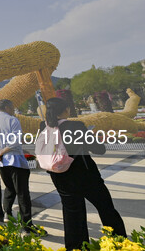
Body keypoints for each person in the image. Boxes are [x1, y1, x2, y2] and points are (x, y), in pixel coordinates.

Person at [41, 97, 126, 249]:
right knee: (106, 208)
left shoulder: (44, 126)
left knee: (72, 214)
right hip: (85, 176)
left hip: (59, 177)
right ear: (66, 109)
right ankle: (119, 242)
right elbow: (99, 149)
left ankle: (76, 247)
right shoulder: (76, 126)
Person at [0, 99, 43, 235]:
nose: (13, 109)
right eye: (12, 107)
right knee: (23, 193)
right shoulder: (12, 120)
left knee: (9, 188)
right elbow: (16, 140)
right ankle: (27, 225)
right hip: (15, 161)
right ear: (7, 107)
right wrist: (2, 152)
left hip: (1, 162)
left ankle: (7, 214)